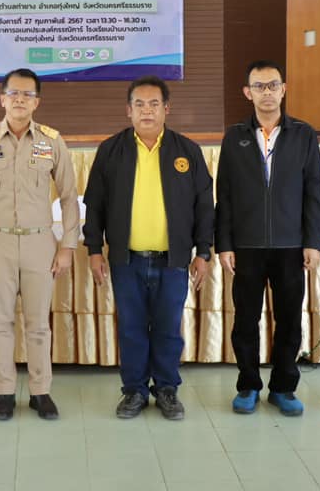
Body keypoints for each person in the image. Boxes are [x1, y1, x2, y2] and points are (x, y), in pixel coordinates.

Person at [83, 76, 214, 420]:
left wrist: (203, 252)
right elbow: (94, 204)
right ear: (128, 110)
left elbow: (204, 206)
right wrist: (94, 249)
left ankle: (167, 389)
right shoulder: (111, 150)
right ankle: (135, 391)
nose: (147, 111)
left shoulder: (187, 151)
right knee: (132, 328)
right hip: (127, 261)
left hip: (173, 261)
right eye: (139, 104)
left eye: (154, 104)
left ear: (166, 109)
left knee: (169, 329)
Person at [0, 68, 80, 421]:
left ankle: (41, 392)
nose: (19, 99)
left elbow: (70, 197)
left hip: (39, 243)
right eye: (13, 93)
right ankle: (4, 392)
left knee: (38, 324)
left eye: (27, 94)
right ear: (2, 99)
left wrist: (67, 246)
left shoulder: (52, 141)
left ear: (36, 102)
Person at [215, 61, 320, 417]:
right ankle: (248, 384)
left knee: (289, 320)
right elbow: (224, 195)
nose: (266, 92)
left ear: (283, 89)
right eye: (259, 86)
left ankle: (283, 387)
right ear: (247, 92)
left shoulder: (303, 135)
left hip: (291, 246)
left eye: (272, 85)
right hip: (246, 246)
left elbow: (315, 192)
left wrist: (313, 241)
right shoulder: (234, 136)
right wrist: (224, 244)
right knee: (246, 320)